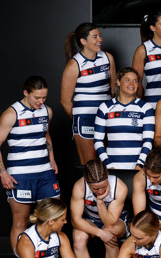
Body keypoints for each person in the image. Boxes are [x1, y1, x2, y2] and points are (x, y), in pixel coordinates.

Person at [0, 76, 61, 252]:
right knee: (21, 222)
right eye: (37, 97)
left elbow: (45, 135)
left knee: (52, 218)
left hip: (45, 173)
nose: (41, 101)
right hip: (20, 176)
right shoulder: (11, 114)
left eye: (44, 97)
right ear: (25, 93)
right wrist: (3, 173)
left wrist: (51, 159)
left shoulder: (47, 111)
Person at [61, 22, 116, 165]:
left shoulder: (107, 58)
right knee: (90, 165)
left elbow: (114, 90)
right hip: (85, 119)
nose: (100, 40)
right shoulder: (74, 65)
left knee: (108, 162)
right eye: (95, 37)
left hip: (106, 116)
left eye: (100, 36)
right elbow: (65, 101)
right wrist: (80, 118)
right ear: (83, 41)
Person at [70, 159, 128, 258]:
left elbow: (109, 222)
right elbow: (75, 220)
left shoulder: (119, 186)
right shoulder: (79, 187)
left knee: (110, 234)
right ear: (86, 181)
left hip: (116, 221)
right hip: (91, 220)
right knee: (78, 238)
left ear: (107, 176)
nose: (101, 191)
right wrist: (100, 233)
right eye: (95, 189)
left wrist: (100, 201)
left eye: (104, 186)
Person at [94, 67, 155, 170]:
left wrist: (140, 164)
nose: (132, 84)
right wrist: (108, 165)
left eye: (135, 81)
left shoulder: (146, 108)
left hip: (137, 168)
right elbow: (98, 141)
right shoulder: (105, 107)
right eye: (127, 80)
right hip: (112, 167)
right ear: (118, 82)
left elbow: (148, 141)